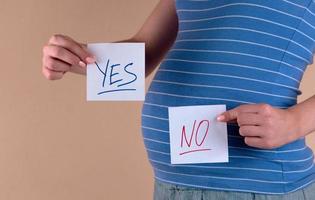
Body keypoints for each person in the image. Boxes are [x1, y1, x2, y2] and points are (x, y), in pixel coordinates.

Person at [41, 0, 315, 199]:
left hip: (255, 185)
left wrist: (294, 122)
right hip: (170, 185)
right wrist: (75, 59)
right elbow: (143, 53)